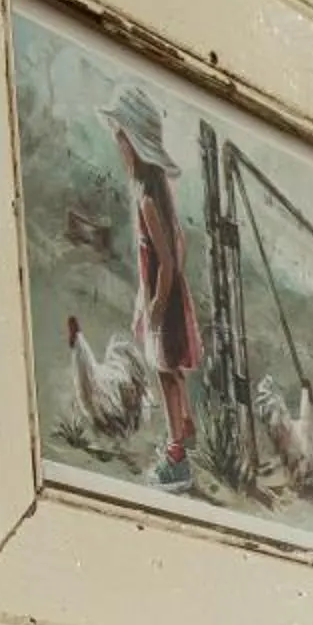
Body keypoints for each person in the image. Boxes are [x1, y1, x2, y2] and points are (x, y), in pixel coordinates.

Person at [101, 83, 203, 494]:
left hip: (164, 299)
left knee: (164, 372)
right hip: (166, 295)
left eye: (122, 140)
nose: (119, 149)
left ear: (136, 145)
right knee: (174, 368)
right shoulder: (159, 192)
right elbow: (182, 243)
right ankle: (188, 424)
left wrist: (157, 306)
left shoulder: (147, 199)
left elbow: (168, 258)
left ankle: (177, 455)